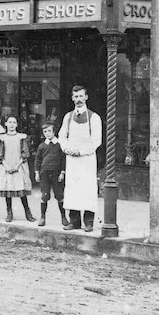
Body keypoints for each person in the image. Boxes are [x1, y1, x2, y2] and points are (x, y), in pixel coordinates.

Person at [58, 85, 103, 232]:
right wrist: (66, 148)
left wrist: (81, 152)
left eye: (81, 96)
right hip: (72, 160)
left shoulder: (94, 118)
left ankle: (89, 222)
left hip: (87, 160)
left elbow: (97, 141)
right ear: (72, 98)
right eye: (75, 96)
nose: (78, 99)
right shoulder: (68, 117)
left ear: (86, 97)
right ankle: (74, 221)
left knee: (88, 189)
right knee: (73, 189)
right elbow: (62, 136)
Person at [0, 115, 35, 223]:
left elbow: (25, 153)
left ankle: (28, 212)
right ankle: (9, 212)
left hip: (19, 166)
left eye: (14, 122)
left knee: (21, 190)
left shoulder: (21, 137)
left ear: (17, 124)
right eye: (10, 122)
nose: (12, 124)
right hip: (6, 166)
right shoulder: (2, 138)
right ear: (6, 124)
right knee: (8, 190)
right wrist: (6, 166)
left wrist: (17, 165)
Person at [34, 123, 68, 227]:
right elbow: (38, 160)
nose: (47, 134)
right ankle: (43, 217)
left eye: (49, 131)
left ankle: (63, 217)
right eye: (45, 132)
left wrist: (62, 172)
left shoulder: (59, 145)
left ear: (54, 132)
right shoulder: (42, 146)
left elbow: (63, 159)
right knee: (44, 195)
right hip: (44, 173)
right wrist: (36, 172)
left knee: (59, 195)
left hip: (56, 173)